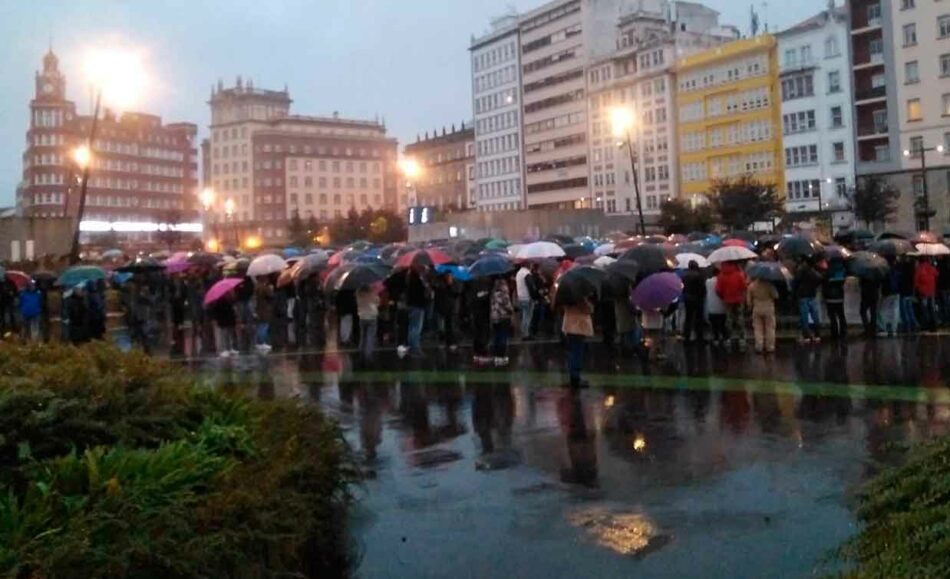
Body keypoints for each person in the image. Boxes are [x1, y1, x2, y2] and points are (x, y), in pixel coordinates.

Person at [715, 261, 748, 350]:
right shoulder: (738, 274)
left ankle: (729, 338)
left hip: (727, 300)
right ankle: (742, 338)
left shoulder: (721, 276)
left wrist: (723, 297)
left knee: (728, 319)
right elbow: (744, 286)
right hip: (738, 299)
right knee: (739, 318)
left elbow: (718, 290)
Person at [562, 297, 594, 389]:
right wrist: (590, 304)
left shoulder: (566, 298)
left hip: (569, 326)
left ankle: (573, 377)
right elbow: (588, 309)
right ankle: (576, 378)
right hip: (578, 326)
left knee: (572, 352)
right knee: (577, 352)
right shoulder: (580, 298)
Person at [793, 258, 824, 343]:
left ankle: (806, 335)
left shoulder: (801, 270)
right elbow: (820, 279)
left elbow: (796, 282)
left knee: (804, 316)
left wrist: (795, 291)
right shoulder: (814, 272)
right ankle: (817, 334)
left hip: (802, 295)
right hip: (812, 294)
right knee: (814, 315)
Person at [747, 277, 779, 354]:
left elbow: (748, 301)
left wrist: (750, 307)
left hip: (757, 308)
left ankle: (759, 346)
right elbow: (776, 296)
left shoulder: (751, 286)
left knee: (757, 328)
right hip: (768, 308)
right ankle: (770, 346)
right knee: (770, 328)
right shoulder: (769, 285)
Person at [405, 264, 430, 356]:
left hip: (413, 304)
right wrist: (426, 288)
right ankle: (415, 348)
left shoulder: (410, 277)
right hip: (418, 305)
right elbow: (422, 292)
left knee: (412, 327)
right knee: (416, 327)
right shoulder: (417, 279)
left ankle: (412, 347)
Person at [490, 277, 514, 366]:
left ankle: (496, 356)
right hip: (504, 318)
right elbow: (509, 307)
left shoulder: (493, 294)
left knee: (496, 337)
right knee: (503, 338)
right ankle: (501, 357)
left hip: (495, 318)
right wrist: (512, 311)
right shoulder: (504, 295)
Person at [682, 261, 706, 344]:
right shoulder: (699, 276)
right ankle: (699, 337)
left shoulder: (684, 276)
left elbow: (683, 288)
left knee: (688, 318)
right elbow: (702, 289)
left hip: (688, 298)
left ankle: (687, 337)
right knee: (699, 318)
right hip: (698, 299)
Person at [210, 290, 239, 357]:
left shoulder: (231, 298)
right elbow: (217, 310)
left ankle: (230, 348)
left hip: (230, 319)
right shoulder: (219, 300)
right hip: (223, 319)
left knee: (230, 333)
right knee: (224, 334)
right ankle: (224, 349)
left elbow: (233, 307)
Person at [823, 261, 847, 339]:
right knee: (841, 315)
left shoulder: (828, 271)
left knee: (832, 316)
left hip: (830, 297)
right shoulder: (842, 270)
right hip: (839, 296)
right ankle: (843, 332)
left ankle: (834, 333)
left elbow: (824, 282)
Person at [915, 257, 939, 331]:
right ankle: (934, 324)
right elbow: (937, 274)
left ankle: (926, 324)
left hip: (923, 291)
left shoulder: (919, 269)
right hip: (931, 290)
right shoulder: (931, 267)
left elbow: (916, 281)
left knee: (924, 309)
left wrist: (917, 289)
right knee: (932, 308)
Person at [356, 284, 380, 359]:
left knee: (362, 335)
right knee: (370, 336)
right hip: (372, 317)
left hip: (362, 317)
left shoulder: (358, 294)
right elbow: (377, 302)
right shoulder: (372, 294)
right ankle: (368, 353)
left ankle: (360, 351)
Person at [878, 260, 901, 337]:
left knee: (882, 311)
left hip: (887, 293)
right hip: (896, 292)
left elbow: (882, 281)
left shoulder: (884, 271)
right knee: (895, 311)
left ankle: (883, 328)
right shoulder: (897, 270)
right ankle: (894, 329)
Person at [898, 257, 919, 333]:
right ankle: (915, 324)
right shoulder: (912, 270)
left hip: (904, 292)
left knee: (904, 310)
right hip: (910, 292)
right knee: (910, 309)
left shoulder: (902, 270)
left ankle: (908, 326)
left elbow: (900, 281)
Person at [705, 273, 728, 346]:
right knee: (723, 324)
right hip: (722, 306)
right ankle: (725, 338)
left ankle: (716, 338)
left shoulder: (708, 281)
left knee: (714, 325)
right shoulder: (723, 281)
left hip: (711, 306)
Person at [254, 276, 274, 353]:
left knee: (260, 326)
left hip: (258, 309)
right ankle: (262, 342)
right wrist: (270, 288)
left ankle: (259, 342)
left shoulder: (256, 287)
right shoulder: (264, 288)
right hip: (264, 310)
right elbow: (271, 296)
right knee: (264, 326)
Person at [515, 264, 533, 339]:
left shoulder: (518, 273)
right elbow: (530, 286)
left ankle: (524, 332)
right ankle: (525, 334)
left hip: (520, 297)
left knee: (524, 315)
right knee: (527, 316)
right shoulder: (526, 273)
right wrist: (533, 296)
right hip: (527, 297)